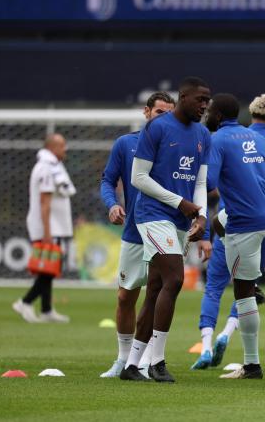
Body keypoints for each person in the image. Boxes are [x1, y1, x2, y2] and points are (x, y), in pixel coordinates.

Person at [191, 93, 265, 371]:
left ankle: (251, 366)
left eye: (209, 111)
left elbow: (210, 181)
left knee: (243, 291)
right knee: (216, 222)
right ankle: (227, 245)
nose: (206, 115)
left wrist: (193, 168)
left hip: (246, 223)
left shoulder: (218, 140)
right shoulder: (259, 139)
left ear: (219, 115)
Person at [120, 77, 211, 383]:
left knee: (157, 288)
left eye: (207, 101)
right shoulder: (156, 128)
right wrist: (180, 202)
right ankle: (157, 361)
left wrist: (201, 216)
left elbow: (199, 182)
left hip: (181, 220)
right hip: (152, 214)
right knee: (175, 278)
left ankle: (132, 365)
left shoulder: (203, 134)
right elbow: (138, 177)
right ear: (183, 97)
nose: (204, 105)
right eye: (199, 99)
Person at [98, 91, 176, 378]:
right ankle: (122, 358)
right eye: (159, 112)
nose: (164, 118)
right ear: (146, 112)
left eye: (169, 112)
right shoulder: (126, 144)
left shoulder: (177, 145)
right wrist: (112, 204)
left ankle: (145, 359)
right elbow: (108, 180)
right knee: (125, 297)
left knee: (157, 294)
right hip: (133, 231)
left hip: (165, 229)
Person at [14, 133, 75, 323]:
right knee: (49, 268)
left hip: (52, 226)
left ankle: (47, 310)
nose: (65, 149)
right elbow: (44, 202)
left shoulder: (52, 166)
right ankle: (25, 302)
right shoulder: (46, 169)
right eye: (62, 146)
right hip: (48, 227)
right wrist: (47, 232)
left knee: (48, 268)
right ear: (52, 148)